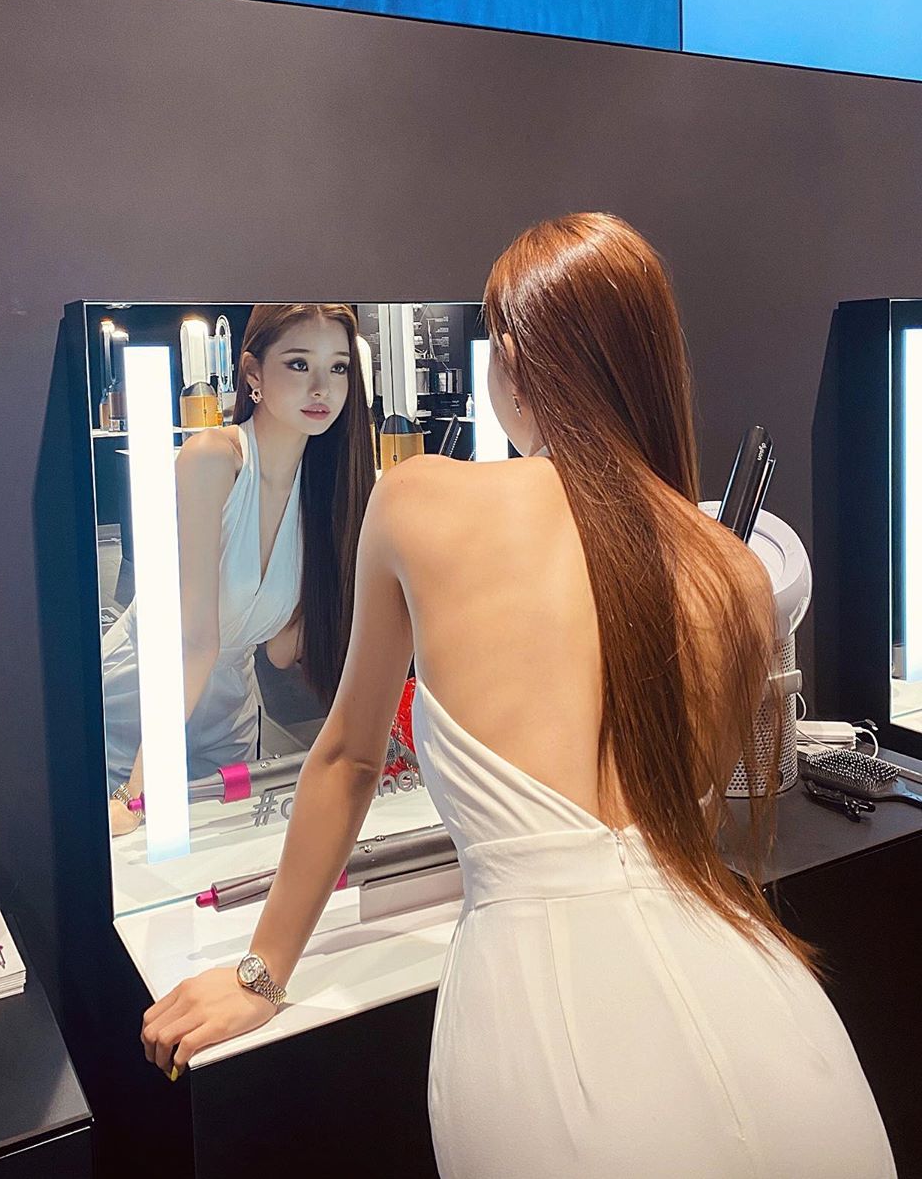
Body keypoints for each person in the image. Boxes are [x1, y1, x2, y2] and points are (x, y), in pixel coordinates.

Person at [140, 215, 896, 1176]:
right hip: (768, 1017)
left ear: (513, 364)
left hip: (548, 1029)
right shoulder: (737, 574)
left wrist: (261, 975)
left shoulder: (420, 501)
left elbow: (349, 758)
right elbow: (676, 817)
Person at [105, 303, 375, 836]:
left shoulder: (325, 493)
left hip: (228, 718)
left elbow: (280, 650)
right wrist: (134, 794)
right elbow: (195, 642)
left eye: (338, 367)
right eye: (299, 364)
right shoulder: (213, 459)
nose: (321, 388)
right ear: (254, 373)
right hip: (142, 704)